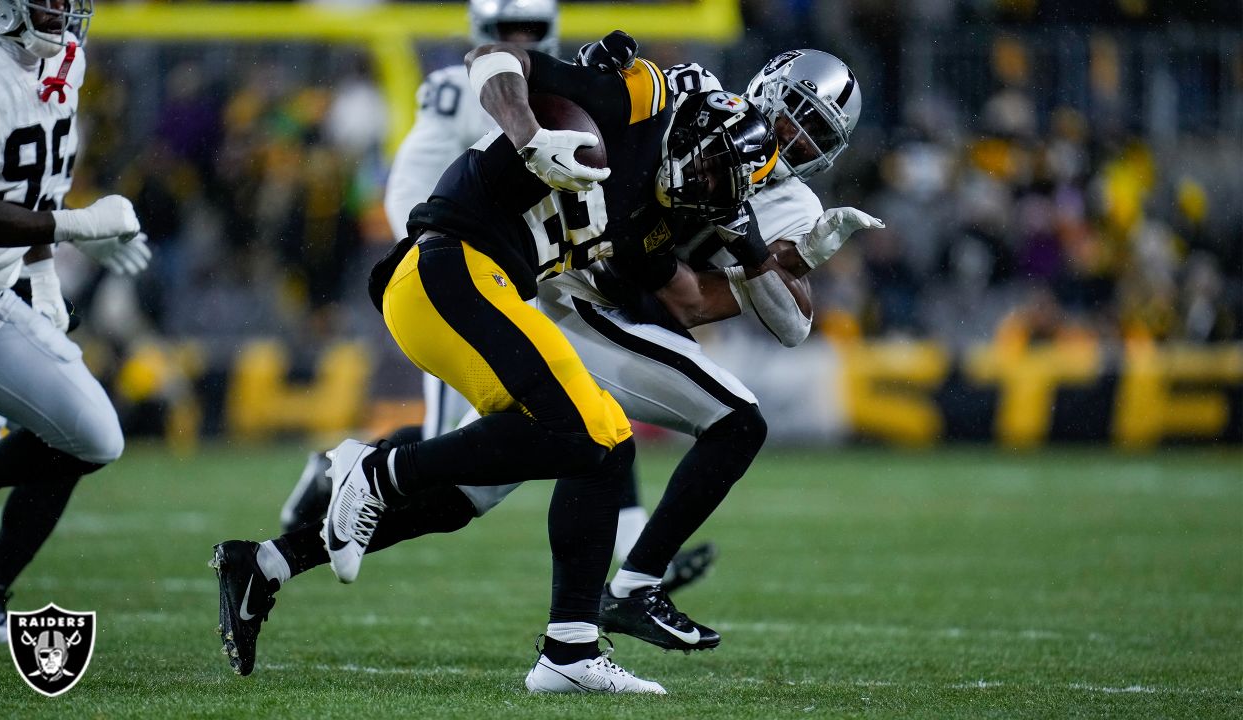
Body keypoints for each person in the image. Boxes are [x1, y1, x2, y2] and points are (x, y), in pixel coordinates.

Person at [261, 45, 884, 655]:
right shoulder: (682, 102)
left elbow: (769, 319)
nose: (792, 139)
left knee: (472, 490)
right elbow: (672, 273)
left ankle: (277, 559)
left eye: (811, 140)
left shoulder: (788, 202)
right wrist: (539, 129)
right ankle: (621, 598)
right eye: (793, 115)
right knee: (716, 423)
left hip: (610, 294)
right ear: (765, 90)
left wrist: (776, 254)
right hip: (565, 291)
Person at [280, 2, 718, 592]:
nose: (517, 38)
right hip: (461, 270)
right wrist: (440, 242)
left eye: (530, 31)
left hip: (525, 274)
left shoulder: (565, 77)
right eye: (506, 30)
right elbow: (415, 177)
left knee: (582, 413)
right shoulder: (458, 89)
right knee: (470, 445)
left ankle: (628, 554)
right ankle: (338, 478)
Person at [0, 0, 149, 641]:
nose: (63, 11)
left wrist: (42, 270)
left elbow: (33, 181)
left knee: (92, 435)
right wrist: (72, 230)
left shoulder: (66, 61)